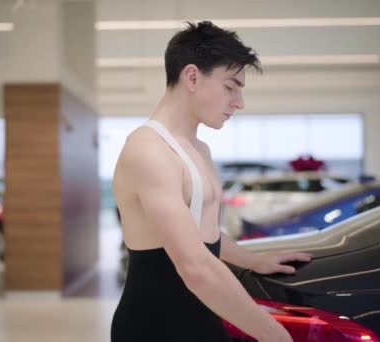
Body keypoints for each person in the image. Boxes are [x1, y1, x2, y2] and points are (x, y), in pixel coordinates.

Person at [110, 21, 311, 342]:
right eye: (231, 87)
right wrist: (275, 335)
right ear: (192, 77)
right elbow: (195, 267)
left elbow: (204, 236)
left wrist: (253, 260)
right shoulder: (148, 151)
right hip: (155, 327)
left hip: (202, 317)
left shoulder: (199, 148)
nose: (239, 102)